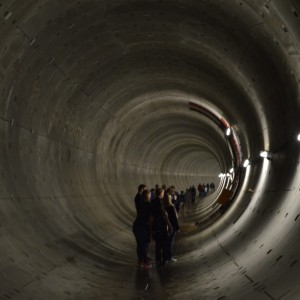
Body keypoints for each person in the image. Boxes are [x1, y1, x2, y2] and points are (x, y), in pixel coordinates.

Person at [151, 188, 173, 266]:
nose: (164, 194)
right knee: (164, 244)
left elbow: (152, 217)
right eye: (163, 193)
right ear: (161, 193)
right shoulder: (160, 202)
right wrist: (169, 225)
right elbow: (164, 215)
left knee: (158, 244)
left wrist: (151, 228)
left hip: (155, 226)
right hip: (161, 226)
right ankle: (164, 259)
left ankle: (158, 260)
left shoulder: (152, 202)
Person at [132, 189, 153, 269]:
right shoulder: (149, 204)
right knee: (143, 245)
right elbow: (151, 219)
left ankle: (141, 260)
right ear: (148, 195)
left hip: (136, 226)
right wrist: (151, 231)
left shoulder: (142, 203)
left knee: (140, 244)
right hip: (142, 227)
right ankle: (145, 262)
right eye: (150, 194)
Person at [165, 194, 179, 262]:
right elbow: (175, 218)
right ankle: (169, 257)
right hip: (172, 226)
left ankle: (166, 256)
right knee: (170, 242)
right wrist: (177, 227)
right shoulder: (171, 207)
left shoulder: (163, 207)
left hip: (165, 226)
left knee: (167, 241)